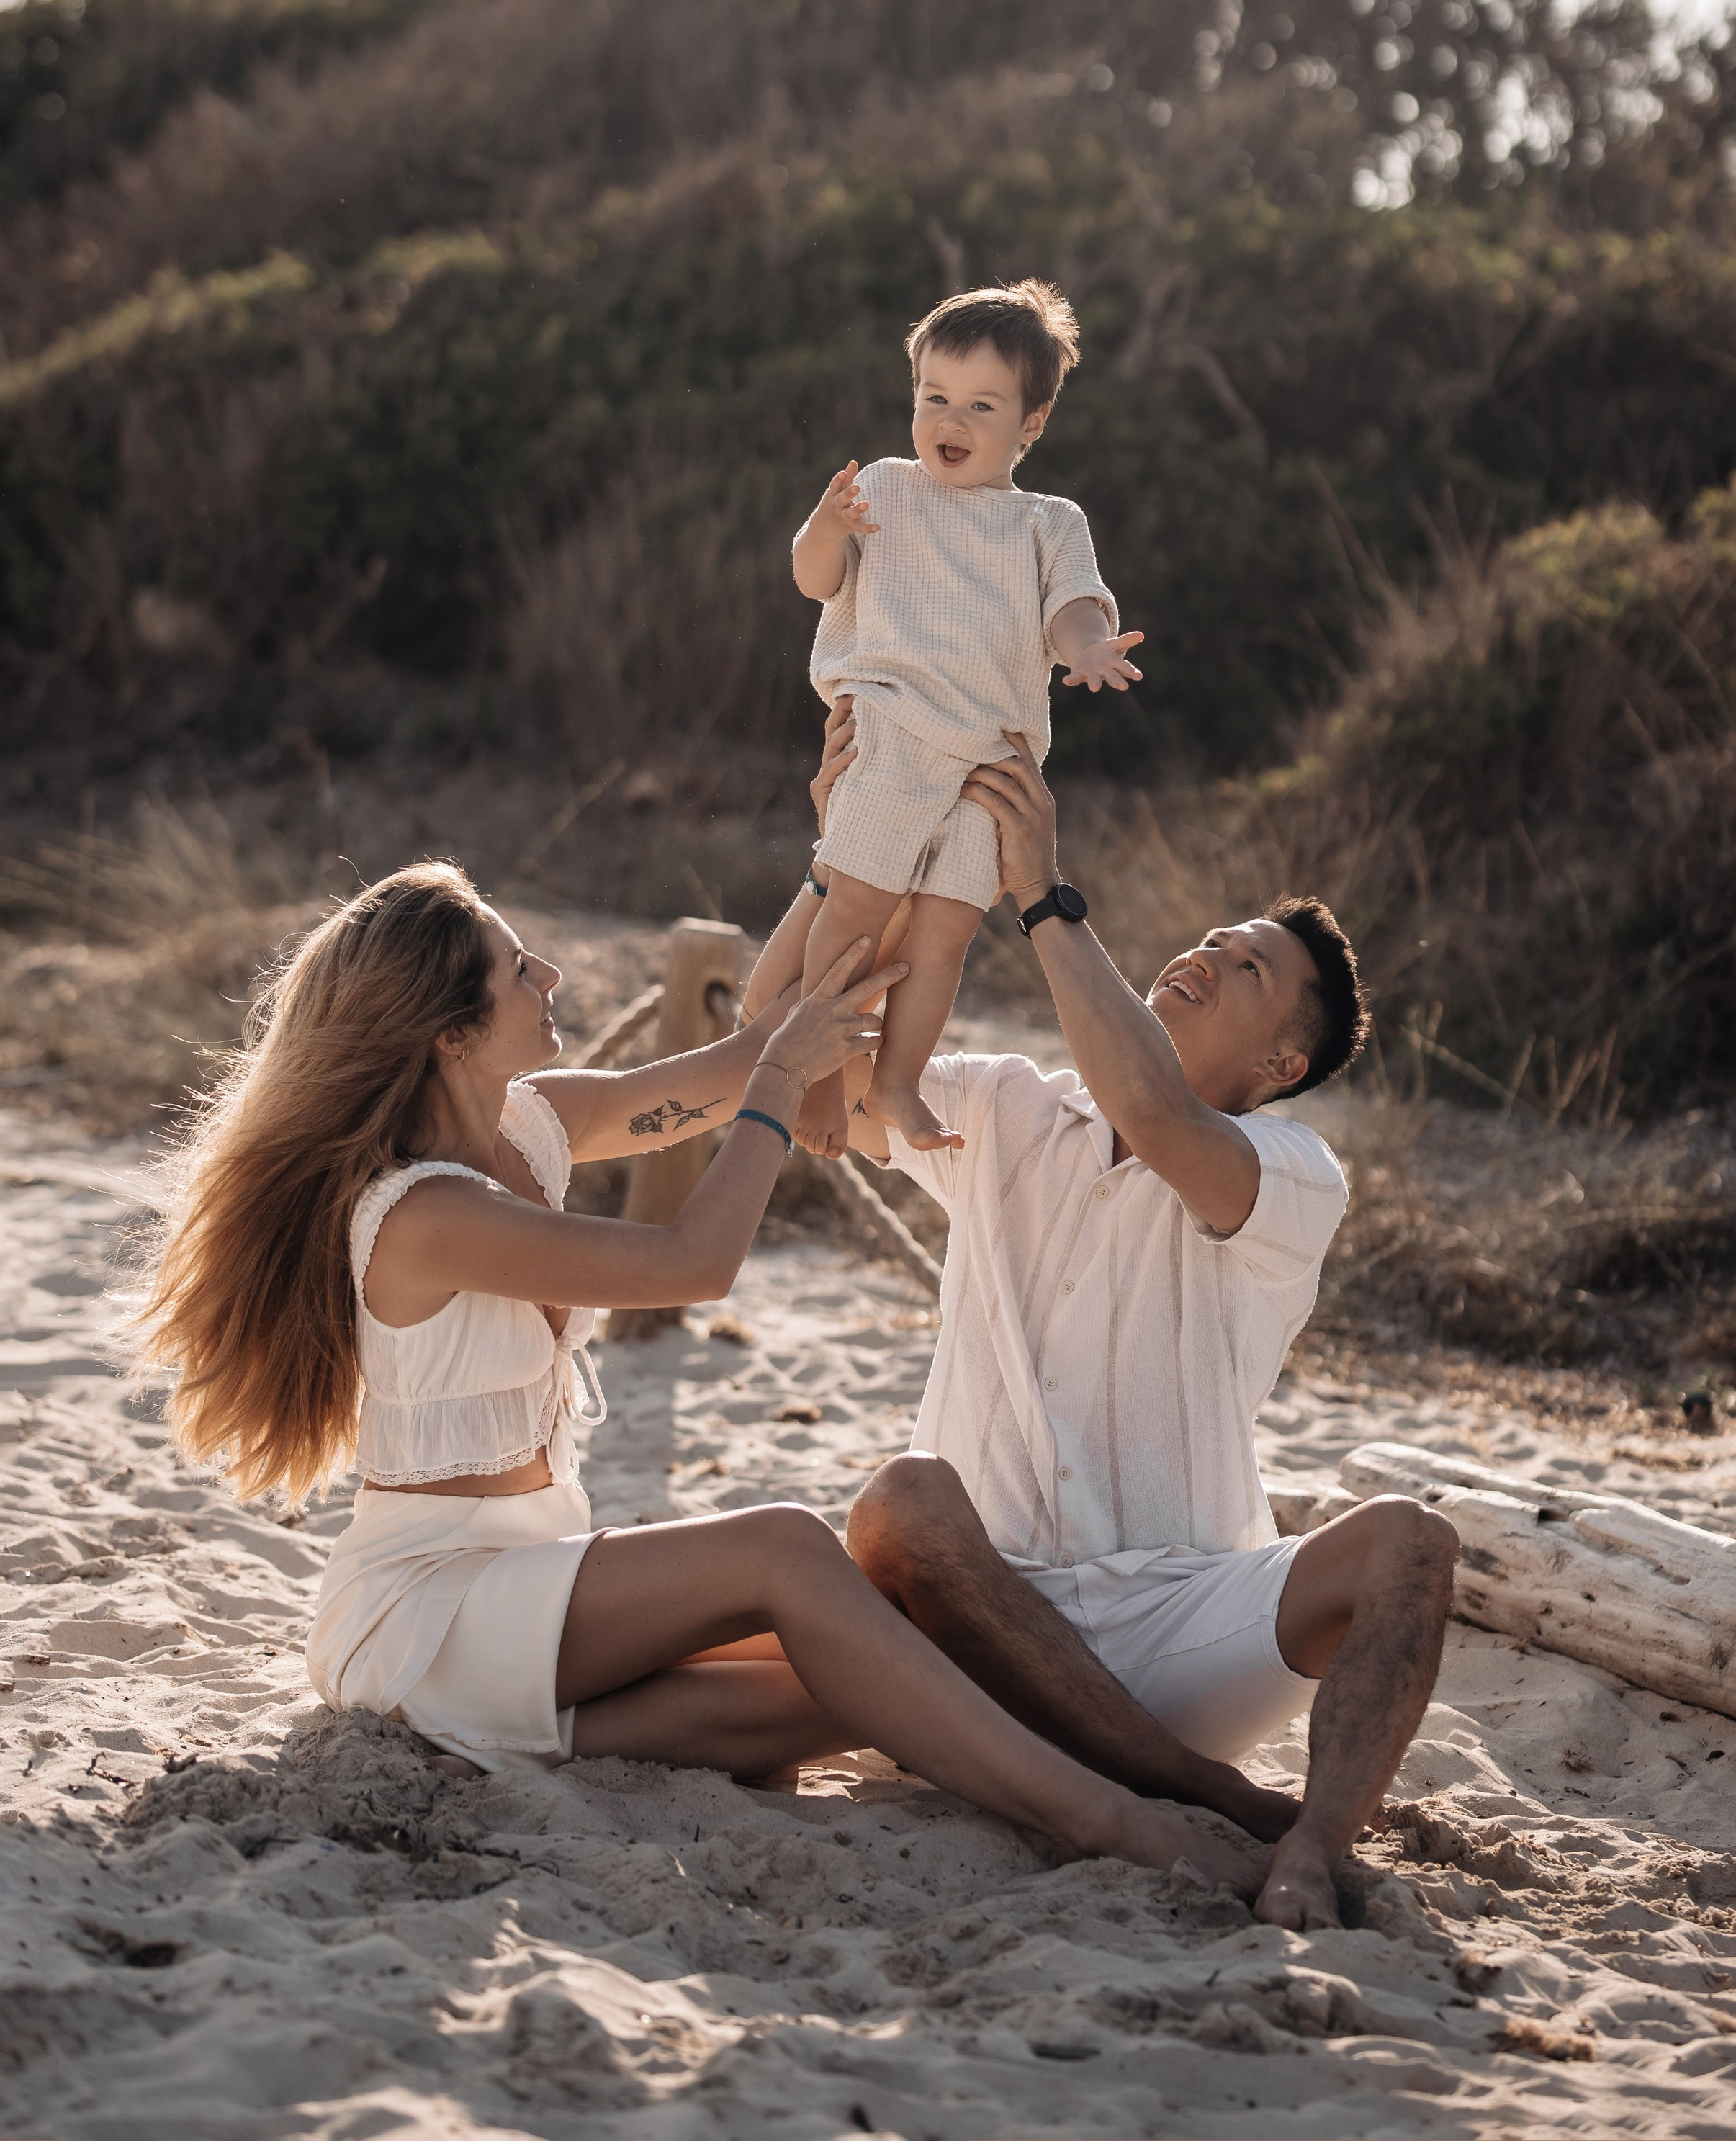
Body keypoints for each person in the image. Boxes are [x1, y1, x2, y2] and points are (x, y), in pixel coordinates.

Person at [127, 858, 1262, 1892]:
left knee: (871, 1654)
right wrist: (776, 1089)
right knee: (784, 1547)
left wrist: (853, 847)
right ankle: (1114, 1821)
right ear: (453, 1035)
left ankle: (1183, 1788)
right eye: (520, 968)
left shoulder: (532, 1124)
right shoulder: (422, 1213)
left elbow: (735, 1055)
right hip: (430, 1616)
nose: (553, 972)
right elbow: (694, 1262)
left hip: (535, 1595)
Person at [742, 708, 1460, 1931]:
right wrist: (844, 858)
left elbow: (1168, 1121)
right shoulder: (1005, 1107)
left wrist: (1045, 901)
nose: (1207, 955)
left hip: (1184, 1630)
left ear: (1282, 1061)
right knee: (901, 1502)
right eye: (1213, 938)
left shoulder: (1290, 1173)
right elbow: (770, 1052)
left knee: (1410, 1541)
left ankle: (1317, 1845)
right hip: (981, 1618)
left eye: (1247, 970)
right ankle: (1214, 1803)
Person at [790, 279, 1143, 1159]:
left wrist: (1087, 649)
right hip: (896, 734)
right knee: (854, 913)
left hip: (988, 769)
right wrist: (824, 527)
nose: (950, 419)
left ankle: (899, 1084)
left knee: (945, 935)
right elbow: (814, 580)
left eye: (982, 405)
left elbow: (1072, 610)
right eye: (933, 397)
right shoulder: (882, 488)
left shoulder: (1048, 523)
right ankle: (818, 1076)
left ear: (1032, 423)